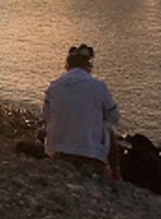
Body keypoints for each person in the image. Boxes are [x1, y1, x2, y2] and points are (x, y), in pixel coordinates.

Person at [42, 44, 120, 177]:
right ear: (88, 66)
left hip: (57, 149)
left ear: (67, 66)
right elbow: (114, 117)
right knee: (109, 129)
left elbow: (46, 116)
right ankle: (115, 174)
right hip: (90, 153)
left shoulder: (54, 86)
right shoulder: (99, 86)